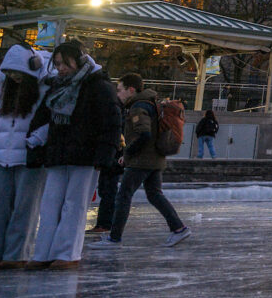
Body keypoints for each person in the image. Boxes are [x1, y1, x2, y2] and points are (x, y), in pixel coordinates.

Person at [30, 41, 122, 268]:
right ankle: (43, 253)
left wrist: (104, 156)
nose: (60, 68)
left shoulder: (98, 86)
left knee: (74, 205)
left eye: (64, 63)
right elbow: (43, 118)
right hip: (58, 154)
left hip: (85, 156)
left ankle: (67, 254)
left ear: (78, 60)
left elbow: (111, 123)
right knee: (50, 204)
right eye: (57, 63)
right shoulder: (57, 86)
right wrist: (36, 147)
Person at [97, 74, 190, 249]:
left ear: (131, 89)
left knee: (123, 196)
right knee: (154, 194)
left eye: (120, 90)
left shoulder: (138, 107)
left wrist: (128, 152)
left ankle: (114, 238)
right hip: (154, 159)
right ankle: (178, 228)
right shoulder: (150, 103)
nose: (118, 94)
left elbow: (144, 134)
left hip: (142, 161)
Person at [0, 45, 50, 269]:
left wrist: (36, 139)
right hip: (1, 156)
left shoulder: (43, 89)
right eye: (9, 71)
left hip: (30, 157)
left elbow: (49, 119)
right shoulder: (2, 88)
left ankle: (16, 254)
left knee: (25, 207)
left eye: (17, 71)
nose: (13, 76)